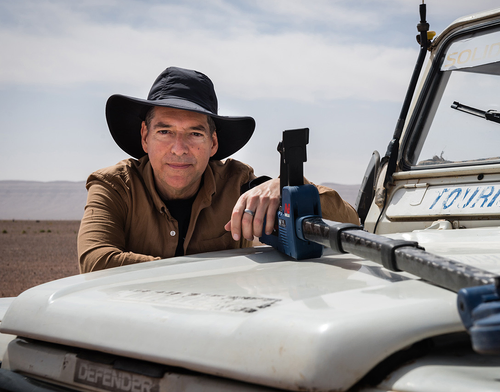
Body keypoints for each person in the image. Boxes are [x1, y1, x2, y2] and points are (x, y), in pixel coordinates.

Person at [78, 66, 359, 273]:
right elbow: (96, 261)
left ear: (213, 143)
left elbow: (349, 224)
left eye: (195, 134)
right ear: (145, 137)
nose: (179, 148)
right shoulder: (114, 186)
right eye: (164, 131)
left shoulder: (237, 185)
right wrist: (198, 273)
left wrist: (285, 188)